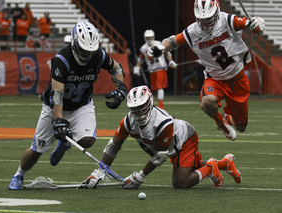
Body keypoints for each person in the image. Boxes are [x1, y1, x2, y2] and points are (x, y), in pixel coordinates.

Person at [8, 21, 128, 190]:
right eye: (84, 50)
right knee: (38, 149)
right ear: (74, 43)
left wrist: (121, 89)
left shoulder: (98, 55)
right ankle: (19, 175)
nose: (87, 55)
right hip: (55, 106)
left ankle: (64, 144)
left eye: (90, 51)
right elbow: (57, 95)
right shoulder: (62, 60)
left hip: (81, 105)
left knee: (88, 140)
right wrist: (58, 120)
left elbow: (117, 69)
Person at [80, 85, 241, 189]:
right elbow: (114, 146)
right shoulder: (128, 120)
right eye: (134, 108)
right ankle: (225, 163)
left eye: (141, 107)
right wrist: (99, 172)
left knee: (180, 182)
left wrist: (139, 176)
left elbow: (159, 156)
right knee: (192, 165)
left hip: (185, 139)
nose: (137, 112)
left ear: (149, 103)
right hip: (171, 145)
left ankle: (211, 166)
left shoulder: (162, 123)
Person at [147, 0, 265, 141]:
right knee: (207, 101)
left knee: (241, 127)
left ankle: (228, 118)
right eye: (202, 19)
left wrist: (257, 24)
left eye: (208, 19)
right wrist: (161, 47)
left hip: (238, 78)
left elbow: (247, 22)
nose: (205, 23)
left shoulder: (226, 20)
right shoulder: (193, 31)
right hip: (215, 79)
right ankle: (220, 122)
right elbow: (173, 41)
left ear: (216, 12)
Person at [133, 30, 176, 109]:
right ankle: (158, 104)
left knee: (160, 87)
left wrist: (170, 61)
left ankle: (160, 105)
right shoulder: (143, 48)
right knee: (155, 88)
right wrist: (137, 67)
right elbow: (141, 58)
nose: (149, 39)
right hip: (152, 69)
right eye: (147, 38)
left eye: (150, 38)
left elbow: (167, 53)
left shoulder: (159, 44)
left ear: (153, 37)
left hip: (160, 68)